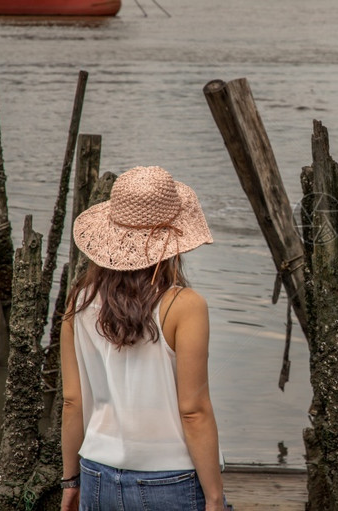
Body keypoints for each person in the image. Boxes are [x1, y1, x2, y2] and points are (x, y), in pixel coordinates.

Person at [61, 166, 228, 511]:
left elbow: (73, 402)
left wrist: (70, 481)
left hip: (96, 473)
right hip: (170, 478)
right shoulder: (185, 306)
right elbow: (194, 411)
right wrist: (214, 497)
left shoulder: (80, 301)